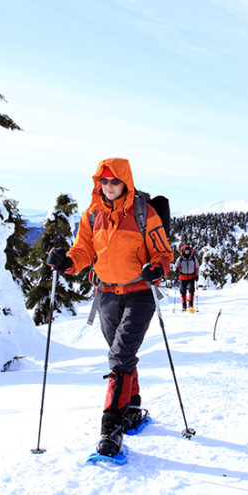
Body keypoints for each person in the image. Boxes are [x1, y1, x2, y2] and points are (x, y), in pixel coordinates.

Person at [47, 158, 172, 458]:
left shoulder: (145, 212)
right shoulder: (92, 215)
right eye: (103, 181)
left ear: (125, 182)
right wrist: (67, 262)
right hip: (106, 294)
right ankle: (131, 407)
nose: (108, 186)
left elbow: (163, 252)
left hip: (140, 294)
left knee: (120, 355)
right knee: (122, 355)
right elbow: (83, 250)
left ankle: (111, 428)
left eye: (114, 181)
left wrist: (157, 269)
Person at [174, 244, 199, 312]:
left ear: (190, 251)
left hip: (191, 277)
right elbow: (175, 266)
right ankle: (184, 306)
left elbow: (197, 267)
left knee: (191, 290)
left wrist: (197, 275)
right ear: (184, 251)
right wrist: (176, 271)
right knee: (183, 292)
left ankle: (191, 305)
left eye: (188, 251)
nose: (187, 252)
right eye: (186, 251)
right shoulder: (180, 258)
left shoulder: (193, 258)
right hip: (182, 277)